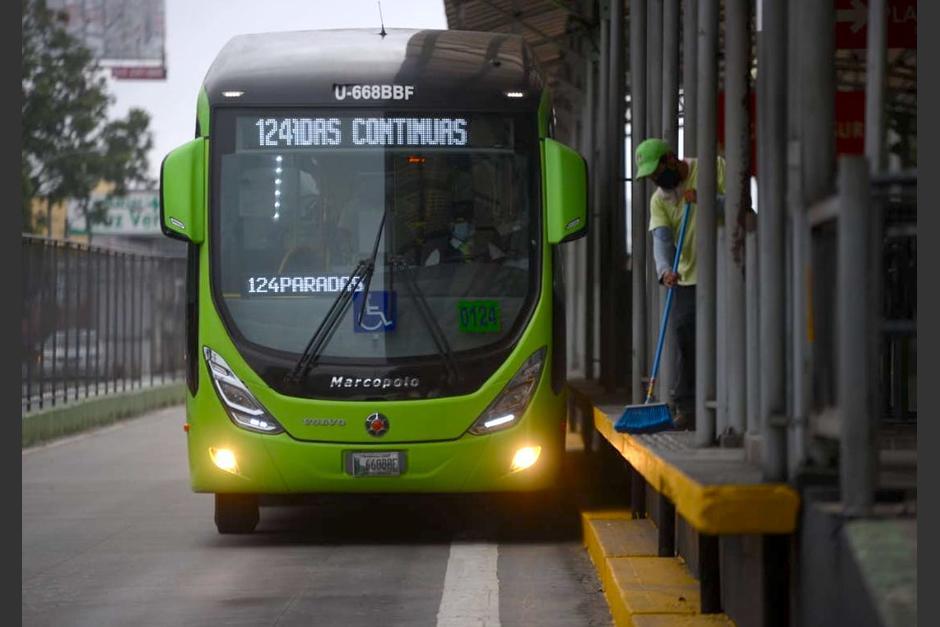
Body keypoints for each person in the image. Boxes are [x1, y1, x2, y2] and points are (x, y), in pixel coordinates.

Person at [634, 138, 725, 429]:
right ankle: (687, 406)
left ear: (671, 160)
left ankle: (732, 402)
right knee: (685, 335)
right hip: (689, 276)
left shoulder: (714, 168)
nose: (655, 180)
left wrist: (705, 199)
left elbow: (740, 207)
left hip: (728, 271)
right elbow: (661, 240)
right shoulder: (660, 200)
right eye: (650, 177)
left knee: (728, 336)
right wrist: (664, 270)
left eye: (656, 172)